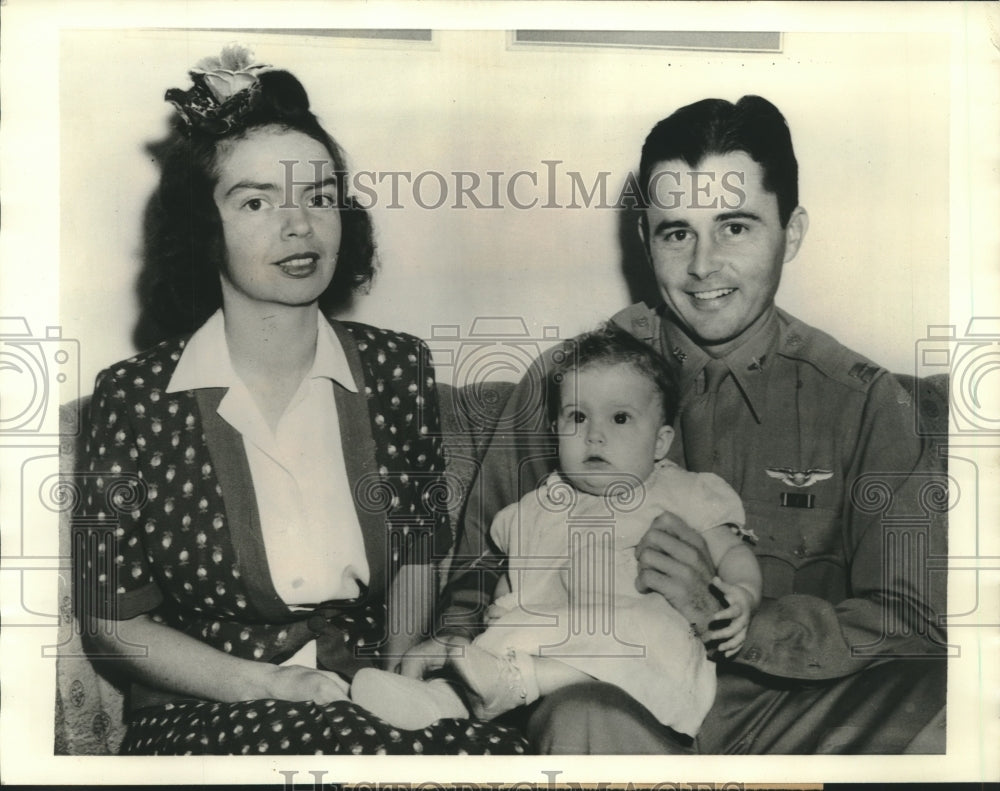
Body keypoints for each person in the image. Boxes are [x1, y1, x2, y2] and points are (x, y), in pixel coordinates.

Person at [406, 95, 949, 754]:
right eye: (676, 231)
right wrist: (455, 641)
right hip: (610, 696)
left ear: (793, 231)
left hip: (796, 714)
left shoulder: (866, 402)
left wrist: (733, 618)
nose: (702, 265)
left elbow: (914, 617)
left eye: (736, 227)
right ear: (645, 237)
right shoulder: (570, 379)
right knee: (582, 715)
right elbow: (482, 563)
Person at [71, 45, 527, 756]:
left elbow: (414, 554)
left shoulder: (397, 368)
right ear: (203, 229)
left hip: (366, 697)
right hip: (209, 711)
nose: (300, 225)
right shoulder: (131, 398)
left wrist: (398, 678)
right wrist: (264, 684)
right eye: (257, 201)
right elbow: (110, 618)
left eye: (318, 196)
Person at [350, 325, 762, 735]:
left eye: (620, 418)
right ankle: (439, 701)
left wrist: (742, 593)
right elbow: (518, 569)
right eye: (577, 416)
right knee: (503, 635)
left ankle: (515, 684)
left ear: (660, 441)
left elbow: (731, 551)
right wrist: (502, 602)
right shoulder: (534, 506)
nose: (594, 434)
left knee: (645, 632)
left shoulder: (680, 491)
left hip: (632, 647)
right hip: (553, 630)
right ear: (554, 430)